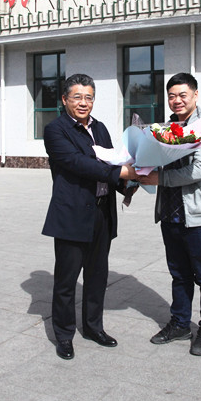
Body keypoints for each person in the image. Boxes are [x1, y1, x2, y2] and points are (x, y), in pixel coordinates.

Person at [41, 73, 138, 360]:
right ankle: (64, 335)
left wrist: (129, 183)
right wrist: (122, 172)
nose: (84, 103)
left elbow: (111, 161)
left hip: (102, 212)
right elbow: (78, 163)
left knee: (97, 276)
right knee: (66, 280)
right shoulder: (56, 130)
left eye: (89, 97)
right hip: (72, 214)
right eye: (77, 97)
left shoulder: (101, 128)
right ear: (64, 100)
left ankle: (94, 328)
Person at [139, 73, 201, 356]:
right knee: (179, 275)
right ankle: (180, 323)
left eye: (182, 95)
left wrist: (160, 178)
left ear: (195, 95)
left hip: (198, 216)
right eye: (172, 96)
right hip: (170, 214)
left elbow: (199, 170)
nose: (177, 100)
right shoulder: (165, 129)